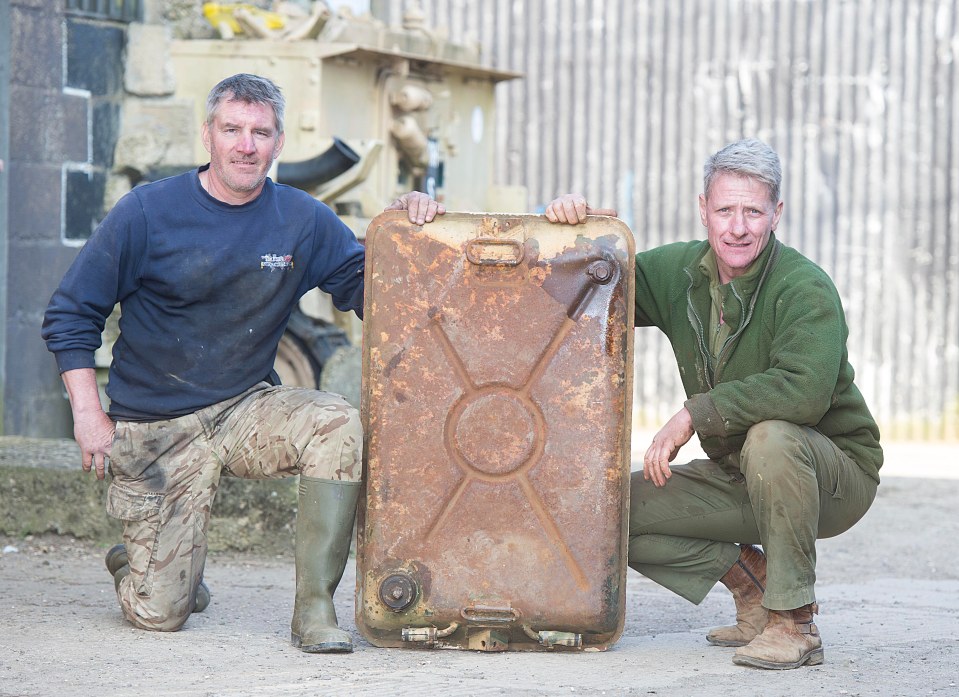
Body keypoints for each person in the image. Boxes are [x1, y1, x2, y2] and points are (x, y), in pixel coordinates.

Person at [41, 73, 444, 654]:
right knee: (160, 615)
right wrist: (88, 413)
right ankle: (145, 563)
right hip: (157, 428)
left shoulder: (301, 219)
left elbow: (378, 294)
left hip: (244, 410)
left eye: (260, 132)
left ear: (279, 143)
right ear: (209, 135)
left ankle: (314, 608)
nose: (246, 145)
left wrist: (407, 232)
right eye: (232, 129)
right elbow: (71, 313)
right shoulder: (147, 212)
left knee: (336, 423)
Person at [545, 138, 881, 670]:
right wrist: (578, 232)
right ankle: (753, 585)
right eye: (725, 209)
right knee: (605, 515)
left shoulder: (804, 287)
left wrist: (691, 415)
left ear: (777, 213)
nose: (738, 226)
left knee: (773, 436)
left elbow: (805, 391)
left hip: (831, 477)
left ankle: (793, 622)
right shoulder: (680, 272)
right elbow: (578, 289)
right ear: (703, 209)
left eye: (753, 210)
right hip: (741, 473)